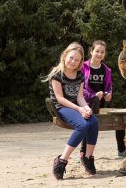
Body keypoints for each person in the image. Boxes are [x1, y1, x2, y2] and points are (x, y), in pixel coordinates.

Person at [42, 42, 99, 180]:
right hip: (62, 108)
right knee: (82, 125)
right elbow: (60, 99)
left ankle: (87, 157)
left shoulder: (79, 75)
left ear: (80, 62)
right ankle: (61, 161)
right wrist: (79, 109)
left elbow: (80, 97)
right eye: (71, 58)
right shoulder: (56, 74)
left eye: (77, 60)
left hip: (75, 106)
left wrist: (86, 108)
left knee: (93, 122)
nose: (73, 62)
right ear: (65, 55)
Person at [79, 40, 126, 159]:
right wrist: (93, 95)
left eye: (102, 52)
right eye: (97, 51)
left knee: (120, 118)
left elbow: (108, 88)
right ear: (91, 51)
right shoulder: (82, 67)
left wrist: (108, 94)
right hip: (85, 103)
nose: (99, 54)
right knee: (88, 120)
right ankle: (83, 152)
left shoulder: (106, 70)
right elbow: (79, 89)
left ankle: (121, 150)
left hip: (102, 103)